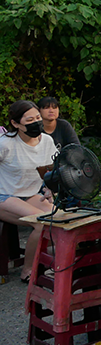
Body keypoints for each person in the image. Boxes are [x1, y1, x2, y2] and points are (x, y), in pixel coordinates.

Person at [0, 101, 56, 281]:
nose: (36, 123)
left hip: (31, 194)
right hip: (5, 196)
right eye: (29, 119)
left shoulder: (46, 140)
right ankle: (28, 271)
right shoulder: (6, 144)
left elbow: (49, 171)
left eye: (38, 118)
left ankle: (53, 264)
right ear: (16, 124)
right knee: (40, 223)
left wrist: (49, 190)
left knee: (59, 219)